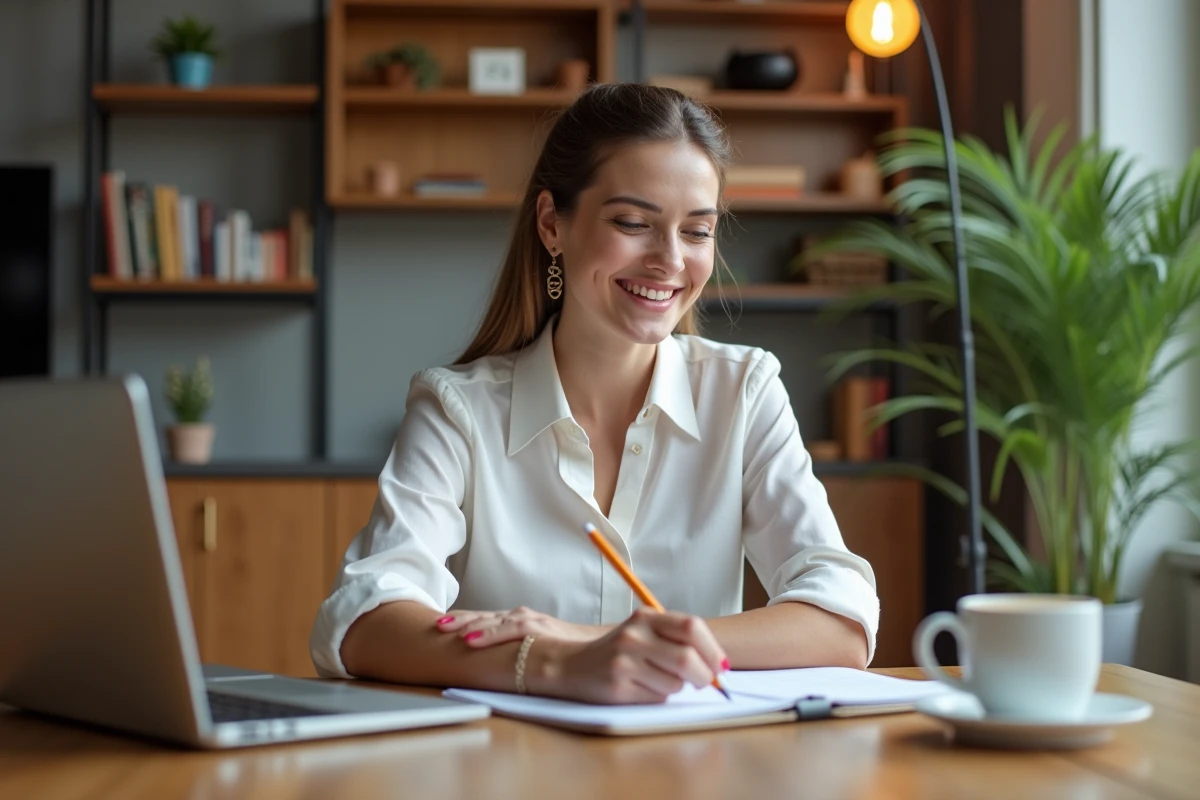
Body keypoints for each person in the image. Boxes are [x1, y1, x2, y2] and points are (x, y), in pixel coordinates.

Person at [310, 83, 879, 705]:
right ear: (553, 224)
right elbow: (364, 618)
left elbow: (841, 618)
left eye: (697, 231)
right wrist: (552, 664)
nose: (669, 260)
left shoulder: (744, 392)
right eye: (633, 223)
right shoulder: (456, 408)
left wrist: (593, 641)